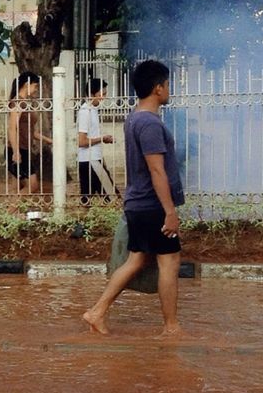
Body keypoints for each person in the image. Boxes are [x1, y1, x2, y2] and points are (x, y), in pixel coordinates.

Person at [83, 60, 185, 338]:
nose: (168, 89)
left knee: (137, 259)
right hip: (153, 205)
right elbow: (156, 169)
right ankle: (171, 327)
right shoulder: (149, 124)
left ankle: (97, 311)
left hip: (138, 203)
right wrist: (170, 211)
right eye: (166, 84)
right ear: (157, 88)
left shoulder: (134, 118)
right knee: (169, 261)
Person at [7, 71, 51, 194]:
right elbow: (12, 128)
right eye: (35, 86)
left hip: (24, 149)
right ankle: (9, 212)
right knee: (33, 186)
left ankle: (11, 213)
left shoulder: (25, 102)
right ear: (27, 84)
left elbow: (32, 132)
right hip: (17, 149)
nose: (36, 89)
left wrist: (49, 141)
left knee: (18, 188)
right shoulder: (18, 102)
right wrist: (16, 152)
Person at [76, 76, 115, 205]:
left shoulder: (93, 110)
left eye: (105, 93)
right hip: (89, 161)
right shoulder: (85, 111)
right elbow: (81, 141)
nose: (104, 97)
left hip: (93, 159)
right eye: (101, 94)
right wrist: (102, 138)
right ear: (92, 94)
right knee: (111, 197)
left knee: (89, 200)